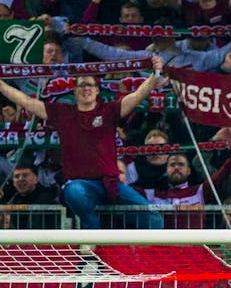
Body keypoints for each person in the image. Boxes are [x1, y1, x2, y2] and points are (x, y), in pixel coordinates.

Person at [0, 58, 166, 230]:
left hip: (111, 184)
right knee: (73, 191)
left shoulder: (110, 110)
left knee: (155, 219)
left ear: (97, 91)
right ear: (74, 91)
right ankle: (92, 242)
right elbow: (27, 102)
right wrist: (2, 85)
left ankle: (145, 256)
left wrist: (155, 75)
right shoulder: (62, 113)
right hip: (80, 184)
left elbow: (138, 95)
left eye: (90, 85)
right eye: (81, 85)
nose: (86, 88)